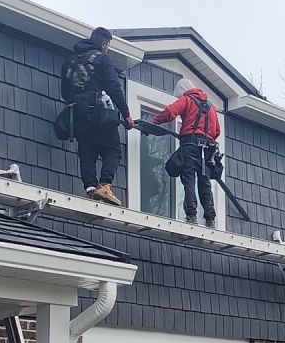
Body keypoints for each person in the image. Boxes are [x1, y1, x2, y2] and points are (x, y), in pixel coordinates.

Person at [62, 27, 135, 205]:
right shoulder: (101, 59)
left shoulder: (70, 61)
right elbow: (114, 88)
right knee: (113, 149)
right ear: (103, 44)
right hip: (97, 109)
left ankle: (90, 188)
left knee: (87, 151)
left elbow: (64, 92)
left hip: (76, 113)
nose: (107, 49)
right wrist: (126, 114)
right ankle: (105, 185)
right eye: (108, 45)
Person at [152, 82, 221, 226]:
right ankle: (210, 218)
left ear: (183, 91)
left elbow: (171, 112)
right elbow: (217, 131)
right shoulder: (212, 107)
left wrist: (156, 120)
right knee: (205, 183)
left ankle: (191, 216)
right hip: (207, 150)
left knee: (189, 179)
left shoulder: (187, 99)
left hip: (190, 145)